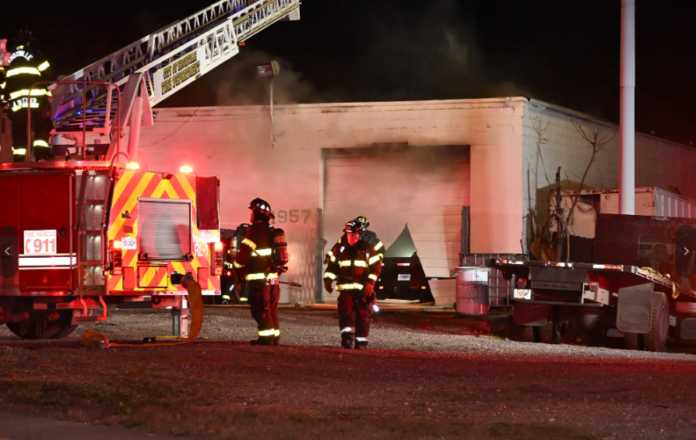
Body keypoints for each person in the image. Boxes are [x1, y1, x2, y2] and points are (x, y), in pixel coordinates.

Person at [233, 198, 288, 346]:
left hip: (260, 279)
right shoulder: (271, 230)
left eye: (252, 212)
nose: (251, 216)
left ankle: (266, 338)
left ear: (257, 214)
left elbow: (243, 255)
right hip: (273, 278)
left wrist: (236, 266)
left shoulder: (254, 232)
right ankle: (275, 338)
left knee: (260, 308)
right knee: (271, 308)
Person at [323, 221, 382, 349]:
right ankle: (347, 340)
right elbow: (332, 267)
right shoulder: (340, 249)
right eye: (348, 234)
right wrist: (328, 280)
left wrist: (370, 284)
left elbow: (376, 268)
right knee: (346, 314)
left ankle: (361, 343)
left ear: (359, 234)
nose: (350, 237)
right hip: (345, 290)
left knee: (363, 316)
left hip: (362, 291)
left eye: (353, 234)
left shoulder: (368, 249)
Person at [1, 26, 52, 162]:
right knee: (43, 123)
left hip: (16, 99)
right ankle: (41, 152)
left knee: (19, 127)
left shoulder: (6, 58)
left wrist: (5, 97)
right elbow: (47, 72)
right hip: (36, 96)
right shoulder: (35, 54)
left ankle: (19, 157)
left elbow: (3, 81)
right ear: (28, 42)